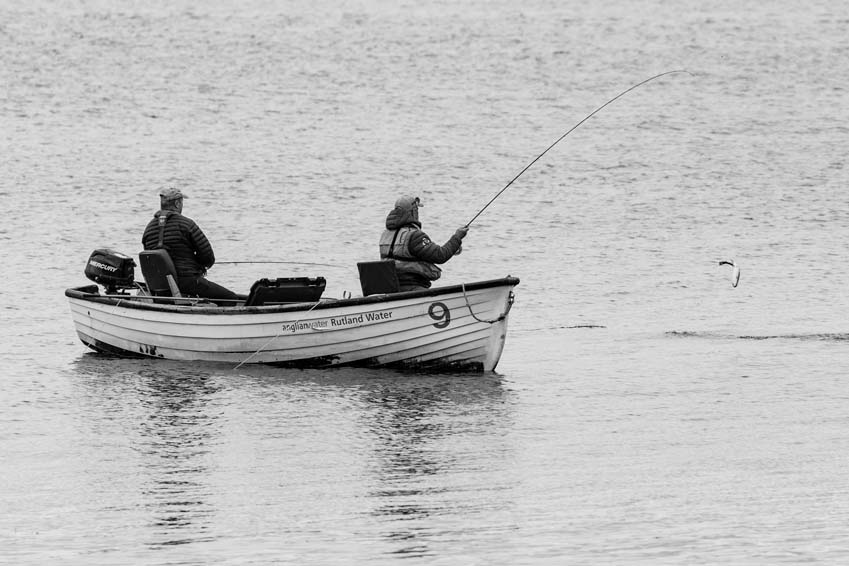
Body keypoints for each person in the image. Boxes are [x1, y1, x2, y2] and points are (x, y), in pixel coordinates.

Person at [141, 187, 240, 305]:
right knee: (230, 298)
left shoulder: (148, 229)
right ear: (177, 203)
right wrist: (199, 267)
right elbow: (208, 257)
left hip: (159, 286)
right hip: (187, 282)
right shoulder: (186, 224)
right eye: (182, 202)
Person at [379, 195, 469, 291]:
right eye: (416, 210)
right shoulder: (414, 236)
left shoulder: (385, 235)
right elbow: (440, 255)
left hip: (391, 288)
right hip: (412, 288)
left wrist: (453, 247)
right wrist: (457, 237)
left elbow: (404, 254)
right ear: (412, 212)